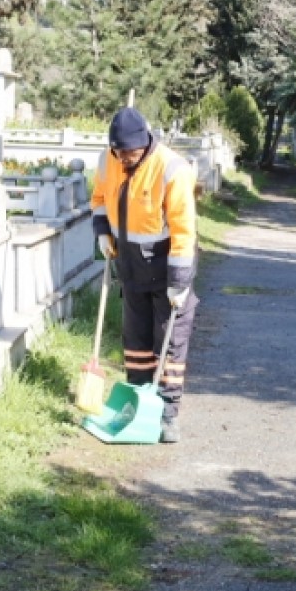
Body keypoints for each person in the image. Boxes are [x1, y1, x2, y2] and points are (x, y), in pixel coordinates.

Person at [91, 107, 199, 443]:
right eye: (119, 153)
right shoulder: (109, 159)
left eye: (130, 154)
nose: (124, 160)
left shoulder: (172, 170)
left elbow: (184, 229)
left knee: (168, 344)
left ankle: (167, 414)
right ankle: (137, 403)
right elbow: (99, 197)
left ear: (145, 144)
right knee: (135, 341)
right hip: (130, 268)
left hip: (167, 270)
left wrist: (180, 283)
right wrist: (102, 232)